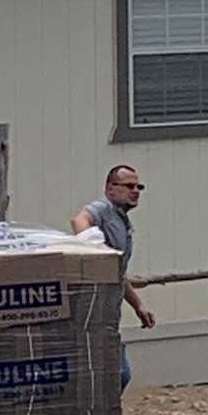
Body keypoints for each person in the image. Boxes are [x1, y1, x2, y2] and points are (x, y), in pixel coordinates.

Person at [71, 165, 156, 393]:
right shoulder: (103, 210)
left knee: (116, 375)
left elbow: (116, 272)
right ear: (110, 189)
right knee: (117, 373)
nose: (135, 190)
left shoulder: (123, 222)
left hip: (109, 313)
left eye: (139, 186)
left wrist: (138, 306)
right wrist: (92, 247)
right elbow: (79, 220)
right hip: (91, 312)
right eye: (129, 186)